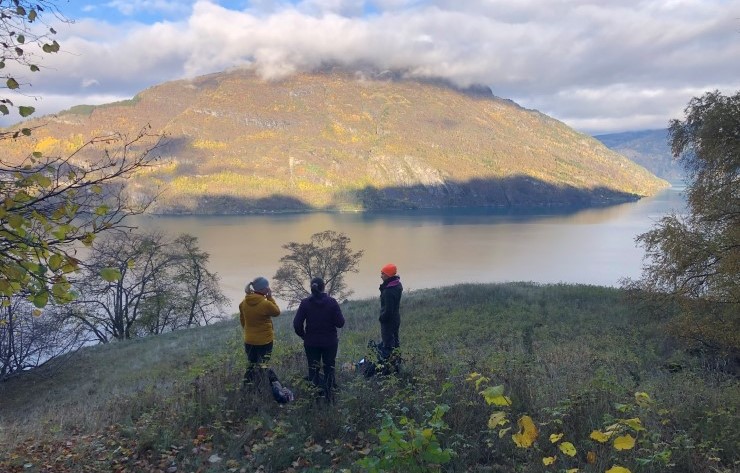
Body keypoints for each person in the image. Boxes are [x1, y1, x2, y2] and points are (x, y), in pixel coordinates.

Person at [293, 277, 345, 400]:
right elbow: (340, 323)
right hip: (330, 343)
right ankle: (329, 398)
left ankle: (314, 399)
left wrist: (304, 336)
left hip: (311, 343)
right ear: (323, 287)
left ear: (311, 288)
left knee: (313, 369)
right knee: (329, 369)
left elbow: (296, 324)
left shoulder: (305, 303)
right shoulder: (332, 302)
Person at [239, 276, 280, 389]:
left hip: (249, 340)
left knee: (251, 365)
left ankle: (247, 387)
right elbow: (277, 312)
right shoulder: (265, 304)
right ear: (263, 289)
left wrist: (249, 331)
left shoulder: (243, 303)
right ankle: (267, 386)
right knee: (264, 365)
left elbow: (243, 321)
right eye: (267, 286)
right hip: (264, 341)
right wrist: (270, 298)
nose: (269, 288)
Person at [378, 263, 402, 364]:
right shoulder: (397, 284)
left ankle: (389, 367)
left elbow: (388, 310)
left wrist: (381, 318)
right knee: (395, 341)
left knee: (388, 344)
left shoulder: (388, 291)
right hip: (396, 318)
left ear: (388, 275)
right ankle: (397, 363)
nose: (381, 275)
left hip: (388, 321)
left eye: (383, 273)